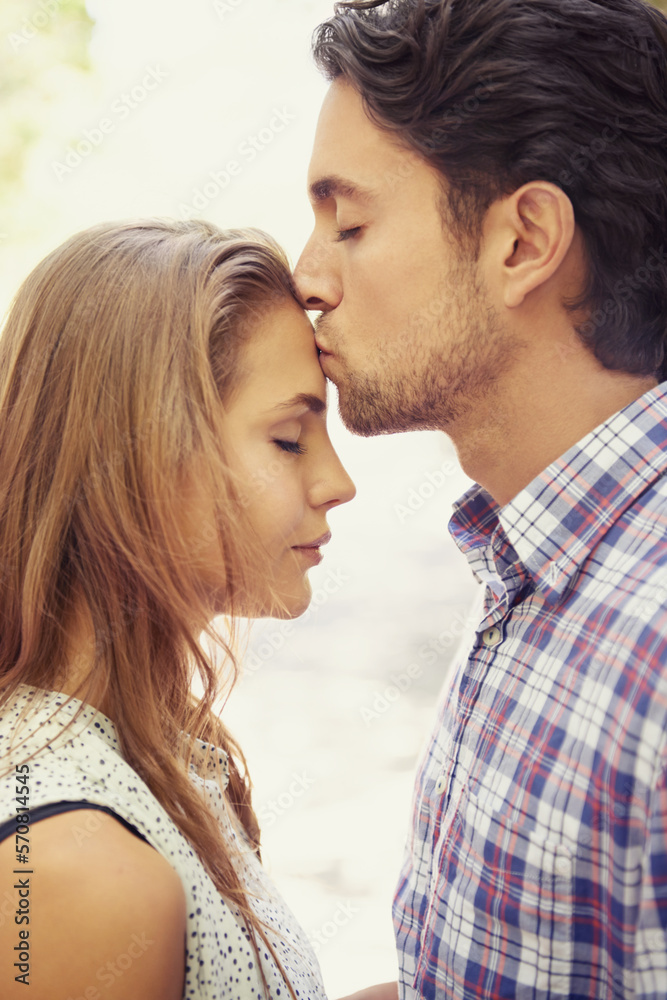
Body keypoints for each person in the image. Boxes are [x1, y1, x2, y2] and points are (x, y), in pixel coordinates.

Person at [293, 0, 667, 996]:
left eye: (350, 221)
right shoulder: (536, 555)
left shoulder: (653, 643)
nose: (307, 275)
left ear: (522, 242)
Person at [0, 218, 355, 999]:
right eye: (290, 439)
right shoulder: (76, 865)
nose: (339, 483)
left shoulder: (158, 744)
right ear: (144, 456)